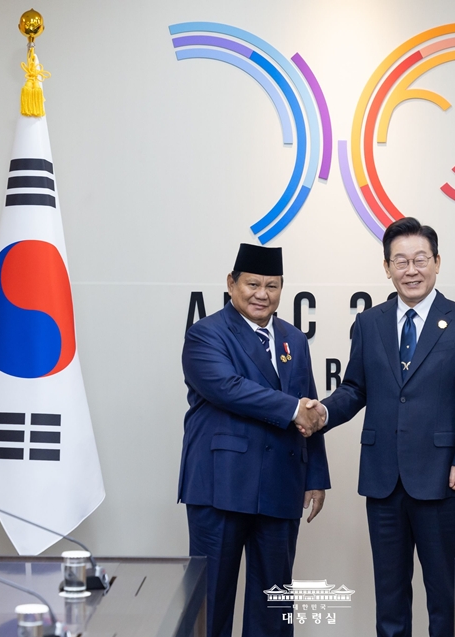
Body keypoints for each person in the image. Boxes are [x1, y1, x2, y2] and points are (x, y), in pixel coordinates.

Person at [306, 217, 455, 637]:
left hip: (443, 479)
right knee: (389, 597)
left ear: (437, 262)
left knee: (444, 596)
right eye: (401, 261)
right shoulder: (371, 323)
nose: (411, 270)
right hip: (383, 479)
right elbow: (356, 388)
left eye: (420, 260)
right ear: (386, 267)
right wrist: (322, 413)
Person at [179, 243, 330, 637]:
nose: (262, 294)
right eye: (252, 284)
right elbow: (230, 388)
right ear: (231, 284)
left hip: (281, 485)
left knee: (274, 606)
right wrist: (295, 409)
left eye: (273, 285)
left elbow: (309, 405)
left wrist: (315, 475)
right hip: (221, 486)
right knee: (211, 601)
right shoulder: (205, 334)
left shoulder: (294, 340)